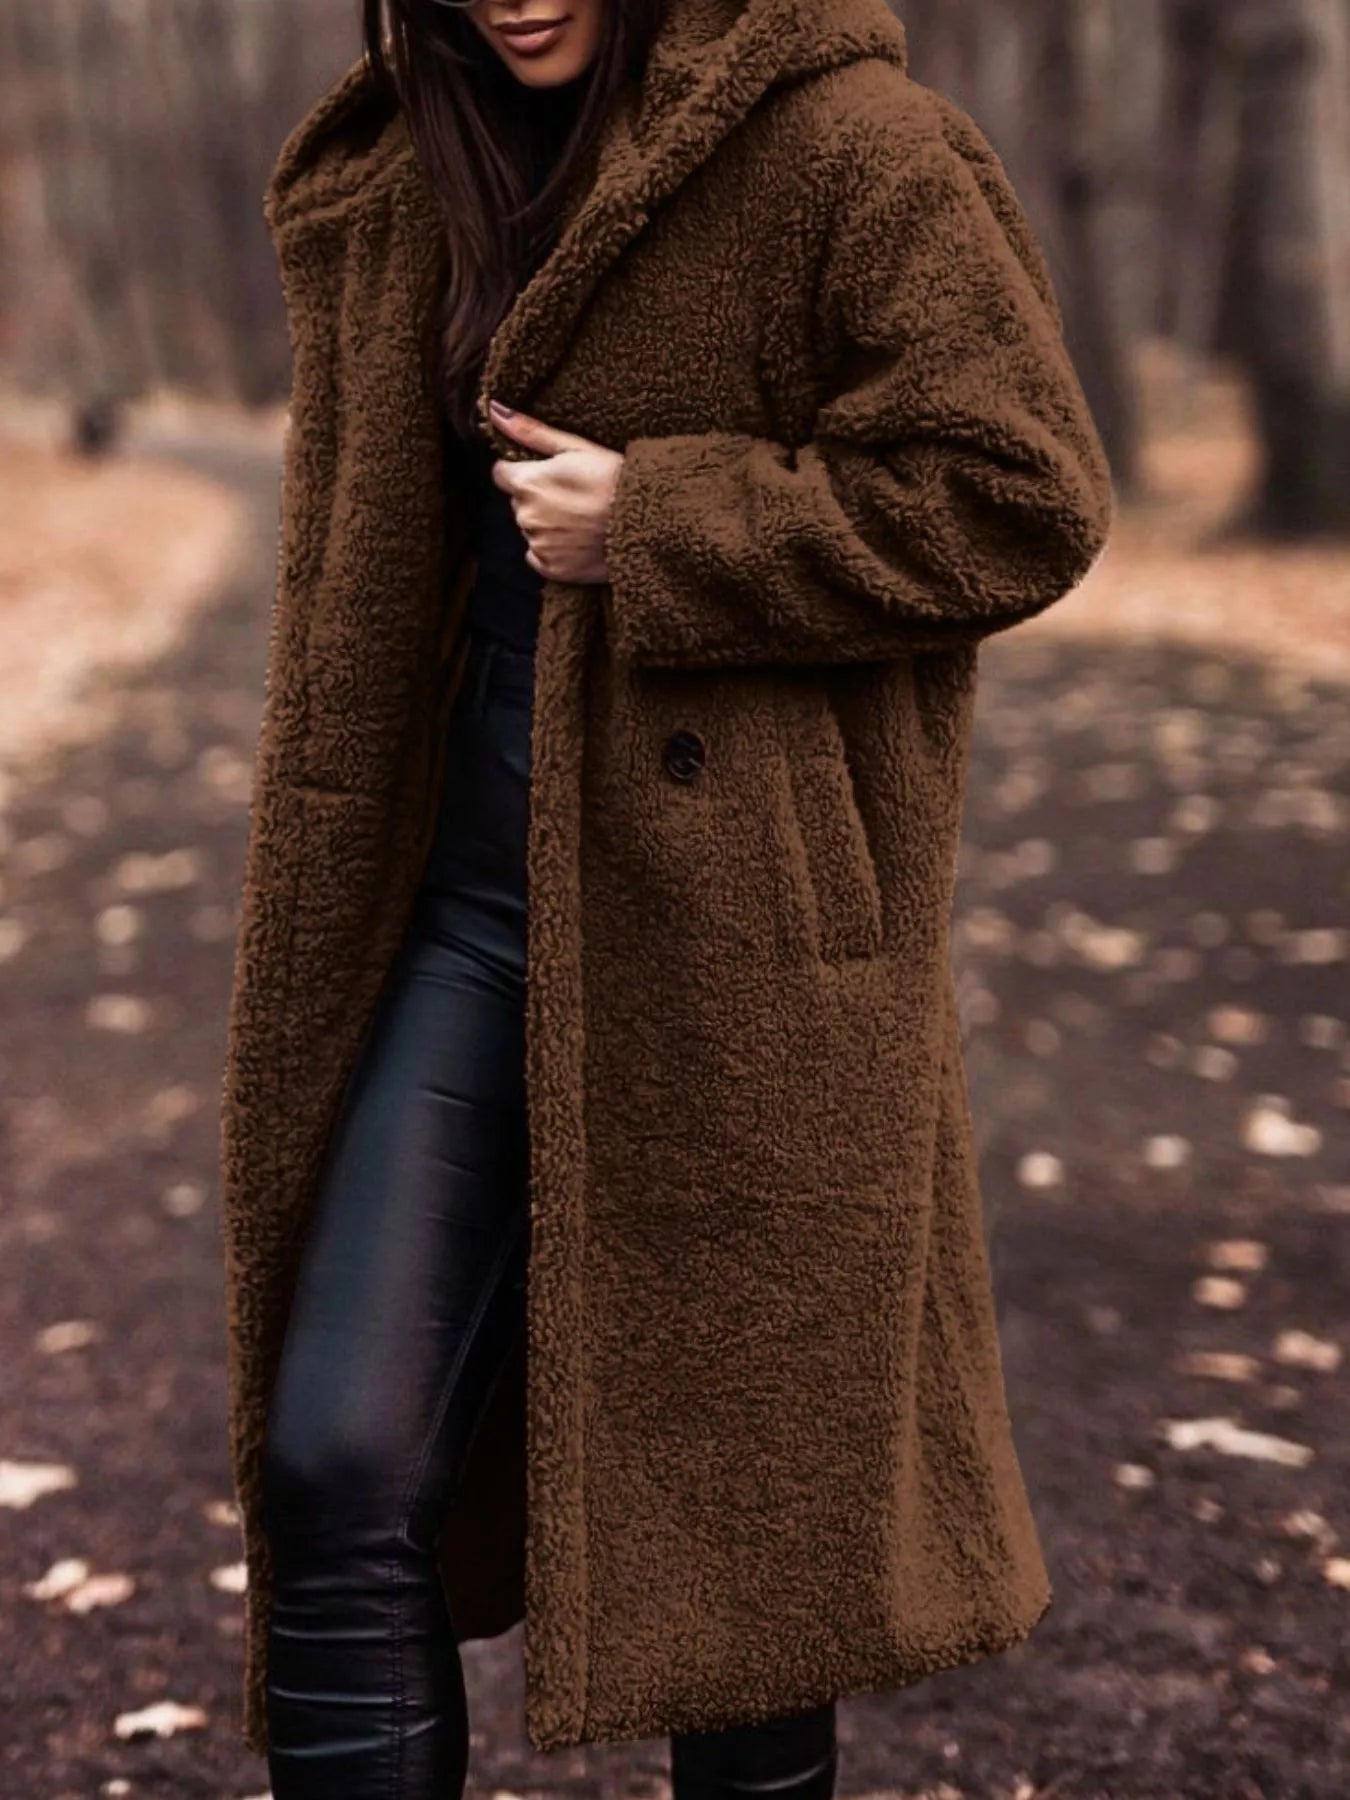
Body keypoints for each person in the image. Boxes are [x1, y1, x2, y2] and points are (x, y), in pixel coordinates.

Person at [220, 0, 1115, 1793]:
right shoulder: (411, 165)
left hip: (740, 936)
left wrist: (668, 522)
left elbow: (1022, 492)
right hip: (461, 912)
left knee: (747, 1561)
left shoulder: (848, 148)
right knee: (332, 1463)